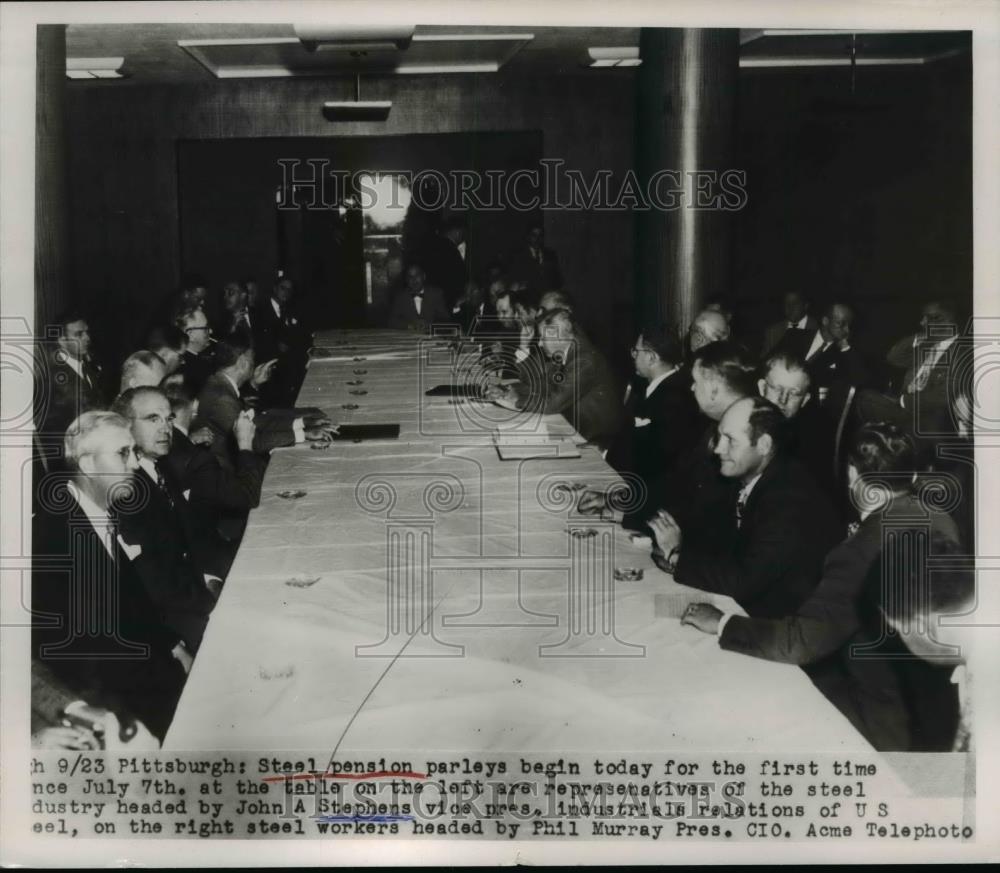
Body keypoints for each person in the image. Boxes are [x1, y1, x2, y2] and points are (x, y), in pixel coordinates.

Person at [680, 422, 965, 752]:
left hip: (881, 724)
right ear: (914, 477)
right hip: (937, 718)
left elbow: (800, 643)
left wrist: (722, 623)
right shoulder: (941, 519)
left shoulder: (859, 551)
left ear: (852, 476)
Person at [32, 411, 188, 740]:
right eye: (122, 453)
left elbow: (132, 603)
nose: (133, 463)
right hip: (113, 705)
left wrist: (173, 645)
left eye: (133, 451)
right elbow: (82, 659)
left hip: (141, 673)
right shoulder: (54, 540)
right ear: (88, 464)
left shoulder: (94, 511)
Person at [651, 396, 840, 618]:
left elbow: (744, 581)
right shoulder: (748, 475)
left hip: (779, 623)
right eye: (719, 436)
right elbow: (705, 527)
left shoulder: (790, 500)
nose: (719, 449)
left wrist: (676, 556)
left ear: (764, 445)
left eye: (730, 440)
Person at [111, 387, 221, 649]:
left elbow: (190, 537)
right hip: (168, 621)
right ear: (126, 426)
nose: (166, 428)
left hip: (190, 594)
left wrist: (211, 577)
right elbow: (153, 583)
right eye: (152, 419)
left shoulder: (160, 466)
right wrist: (210, 599)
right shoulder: (124, 488)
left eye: (169, 419)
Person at [605, 324, 701, 525]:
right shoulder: (654, 388)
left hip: (651, 503)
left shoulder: (674, 398)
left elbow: (659, 462)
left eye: (636, 351)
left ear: (651, 357)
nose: (633, 356)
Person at [490, 308, 622, 451]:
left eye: (542, 338)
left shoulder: (584, 360)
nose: (540, 343)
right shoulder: (568, 349)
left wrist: (517, 401)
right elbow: (545, 385)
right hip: (573, 425)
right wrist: (510, 391)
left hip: (594, 439)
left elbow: (551, 404)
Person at [193, 337, 335, 468]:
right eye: (252, 360)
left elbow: (257, 421)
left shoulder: (220, 384)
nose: (254, 365)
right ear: (243, 362)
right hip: (229, 472)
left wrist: (303, 422)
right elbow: (255, 442)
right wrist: (303, 434)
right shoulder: (222, 398)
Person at [162, 382, 265, 559]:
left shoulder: (172, 447)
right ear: (195, 405)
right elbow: (248, 496)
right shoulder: (199, 459)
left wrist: (189, 440)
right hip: (205, 550)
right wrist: (245, 444)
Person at [758, 352, 838, 499]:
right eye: (777, 388)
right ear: (762, 387)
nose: (783, 399)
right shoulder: (740, 421)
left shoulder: (811, 442)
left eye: (794, 393)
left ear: (805, 399)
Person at [36, 310, 107, 443]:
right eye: (79, 334)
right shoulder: (49, 376)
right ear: (62, 341)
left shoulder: (91, 366)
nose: (87, 338)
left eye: (87, 332)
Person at [775, 302, 869, 399]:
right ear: (825, 321)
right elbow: (766, 364)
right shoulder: (794, 336)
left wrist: (845, 347)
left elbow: (861, 382)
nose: (847, 330)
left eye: (849, 325)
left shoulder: (844, 354)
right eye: (841, 324)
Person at [421, 214, 469, 309]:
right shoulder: (451, 251)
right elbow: (458, 281)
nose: (464, 237)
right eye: (463, 233)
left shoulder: (430, 247)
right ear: (457, 231)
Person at [387, 264, 451, 332]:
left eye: (417, 275)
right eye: (410, 277)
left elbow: (445, 318)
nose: (414, 280)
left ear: (424, 276)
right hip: (409, 338)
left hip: (431, 337)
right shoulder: (400, 297)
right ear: (406, 280)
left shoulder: (436, 294)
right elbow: (391, 322)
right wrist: (410, 326)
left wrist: (430, 325)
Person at [508, 222, 562, 295]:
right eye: (534, 235)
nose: (537, 239)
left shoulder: (550, 255)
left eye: (540, 236)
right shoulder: (518, 256)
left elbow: (557, 280)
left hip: (547, 297)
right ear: (528, 236)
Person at [761, 291, 817, 357]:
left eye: (795, 303)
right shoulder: (772, 332)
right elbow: (764, 361)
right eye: (786, 303)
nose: (790, 307)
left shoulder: (818, 328)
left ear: (805, 305)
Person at [174, 307, 215, 396]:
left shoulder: (174, 361)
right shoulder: (201, 369)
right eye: (205, 328)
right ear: (190, 335)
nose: (210, 331)